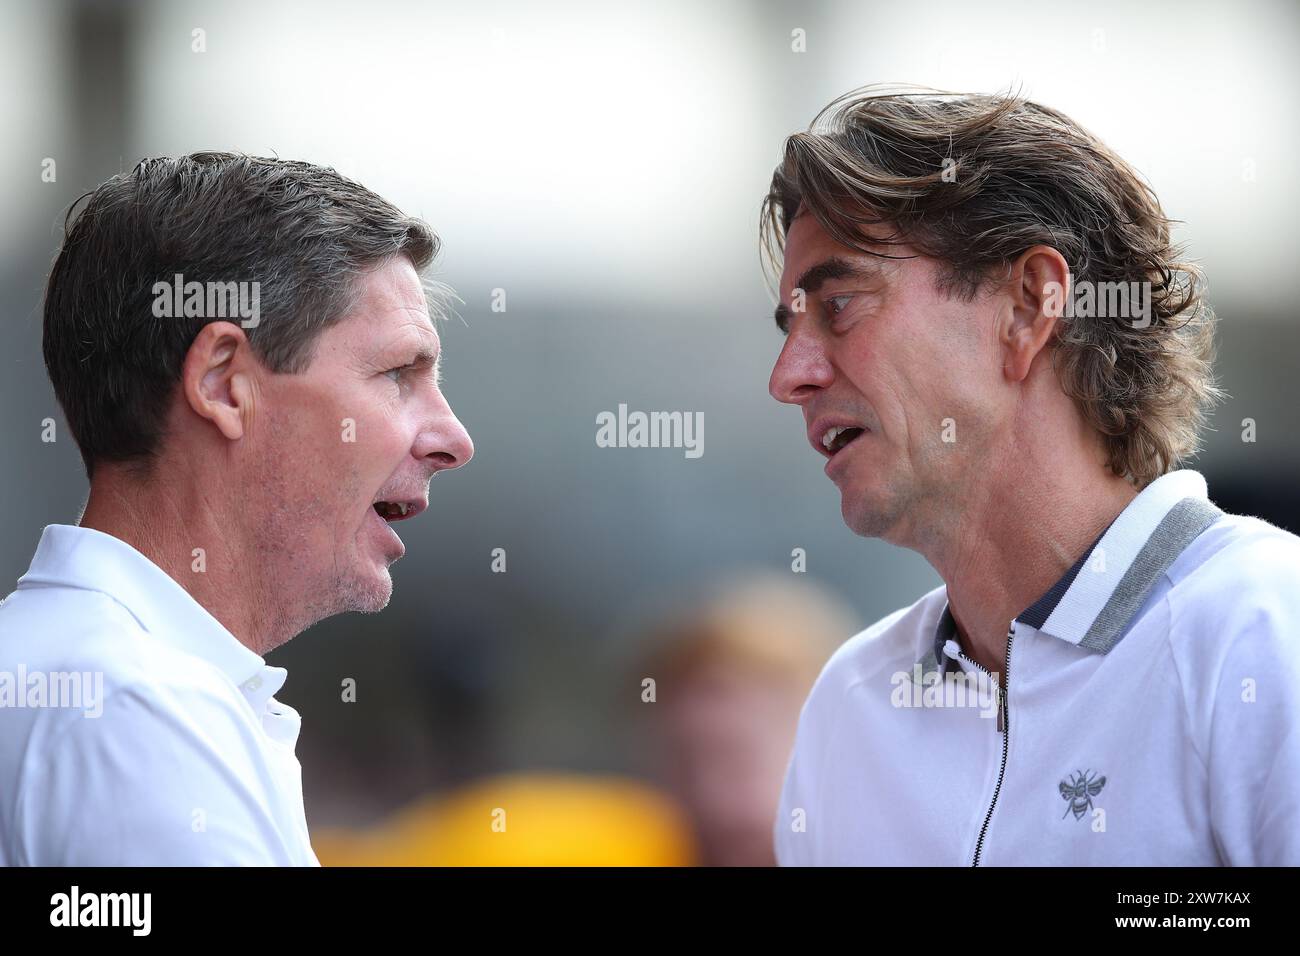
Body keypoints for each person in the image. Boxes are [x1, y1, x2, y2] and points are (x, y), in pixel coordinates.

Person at [762, 88, 1300, 865]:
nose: (789, 376)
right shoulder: (852, 704)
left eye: (838, 304)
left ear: (1027, 307)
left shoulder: (1265, 630)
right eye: (791, 325)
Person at [0, 153, 473, 865]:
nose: (453, 439)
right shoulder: (141, 710)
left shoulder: (92, 677)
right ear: (223, 384)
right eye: (398, 374)